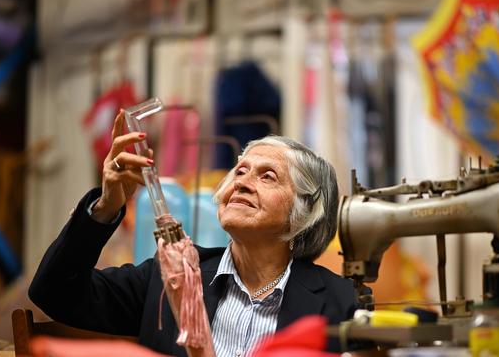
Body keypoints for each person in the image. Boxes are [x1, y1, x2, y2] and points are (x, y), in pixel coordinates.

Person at [29, 111, 360, 357]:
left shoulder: (337, 301)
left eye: (268, 176)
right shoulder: (168, 277)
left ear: (302, 214)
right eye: (240, 170)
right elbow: (54, 293)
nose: (242, 181)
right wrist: (105, 206)